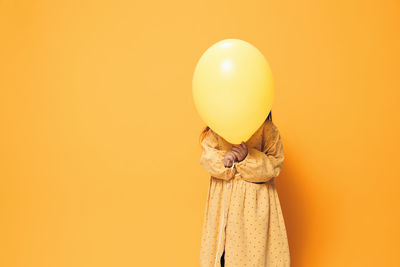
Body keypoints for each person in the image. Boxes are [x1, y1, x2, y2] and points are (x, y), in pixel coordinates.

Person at [198, 111, 290, 267]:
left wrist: (247, 159)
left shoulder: (266, 128)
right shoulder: (218, 126)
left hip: (252, 206)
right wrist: (225, 160)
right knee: (222, 252)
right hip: (223, 202)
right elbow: (207, 156)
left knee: (252, 255)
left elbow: (275, 163)